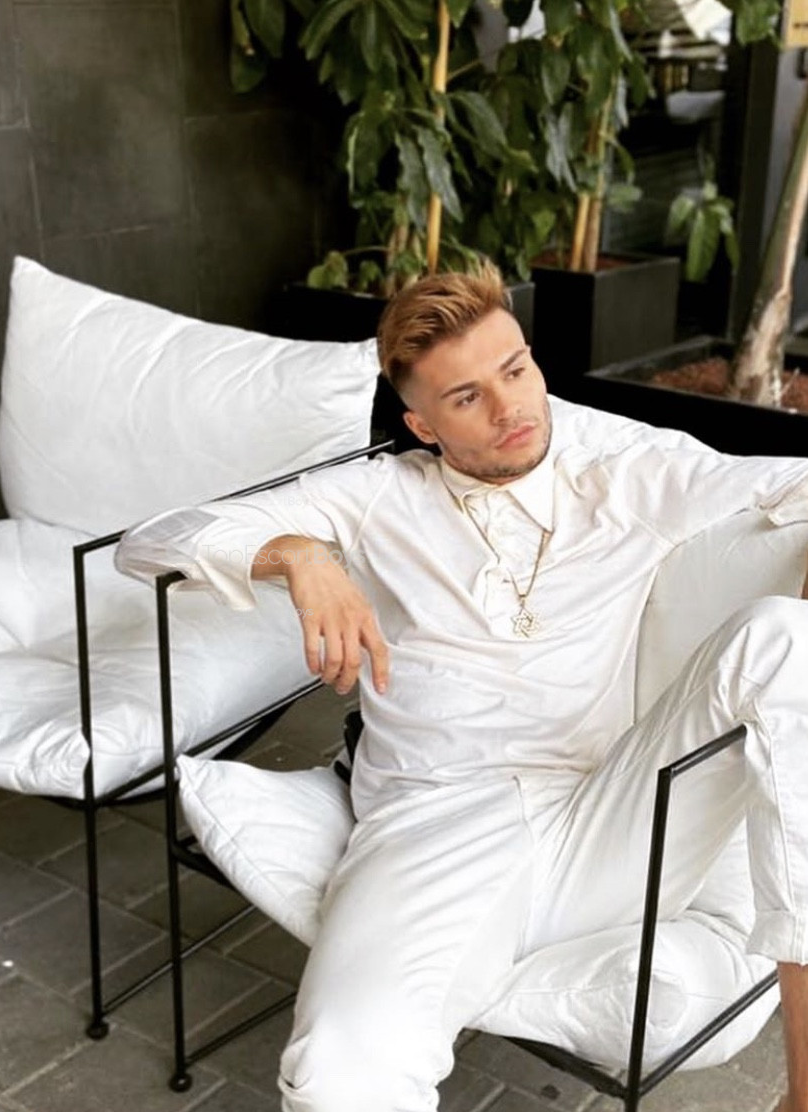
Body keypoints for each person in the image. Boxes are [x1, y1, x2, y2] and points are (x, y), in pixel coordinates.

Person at [115, 262, 808, 1112]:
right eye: (467, 397)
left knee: (783, 641)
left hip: (606, 820)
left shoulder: (629, 469)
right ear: (422, 424)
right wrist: (299, 556)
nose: (510, 407)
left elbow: (795, 483)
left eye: (516, 370)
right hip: (433, 826)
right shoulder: (378, 495)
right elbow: (151, 542)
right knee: (339, 1071)